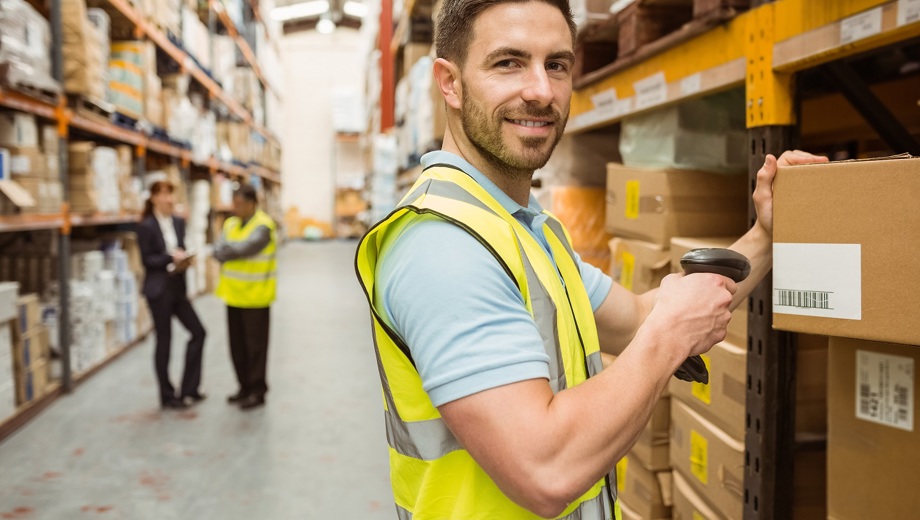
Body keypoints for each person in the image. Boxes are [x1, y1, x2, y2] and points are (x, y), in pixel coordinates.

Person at [355, 1, 828, 518]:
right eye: (508, 63)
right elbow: (546, 470)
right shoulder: (443, 247)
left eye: (556, 64)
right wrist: (670, 336)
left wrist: (764, 234)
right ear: (449, 82)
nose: (540, 91)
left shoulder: (519, 228)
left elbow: (641, 319)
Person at [137, 181, 207, 410]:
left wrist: (185, 259)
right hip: (159, 290)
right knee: (164, 342)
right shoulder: (146, 226)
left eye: (171, 194)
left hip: (177, 286)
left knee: (198, 332)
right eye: (164, 195)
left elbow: (180, 247)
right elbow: (148, 260)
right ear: (154, 198)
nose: (169, 199)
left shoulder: (178, 222)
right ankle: (167, 395)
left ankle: (190, 388)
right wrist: (170, 258)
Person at [213, 184, 277, 410]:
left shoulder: (263, 226)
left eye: (239, 204)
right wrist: (227, 250)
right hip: (233, 296)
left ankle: (257, 391)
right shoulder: (229, 223)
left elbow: (245, 249)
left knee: (255, 349)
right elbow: (217, 249)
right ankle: (243, 387)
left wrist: (227, 251)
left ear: (252, 204)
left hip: (256, 298)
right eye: (234, 203)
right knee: (237, 347)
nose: (235, 208)